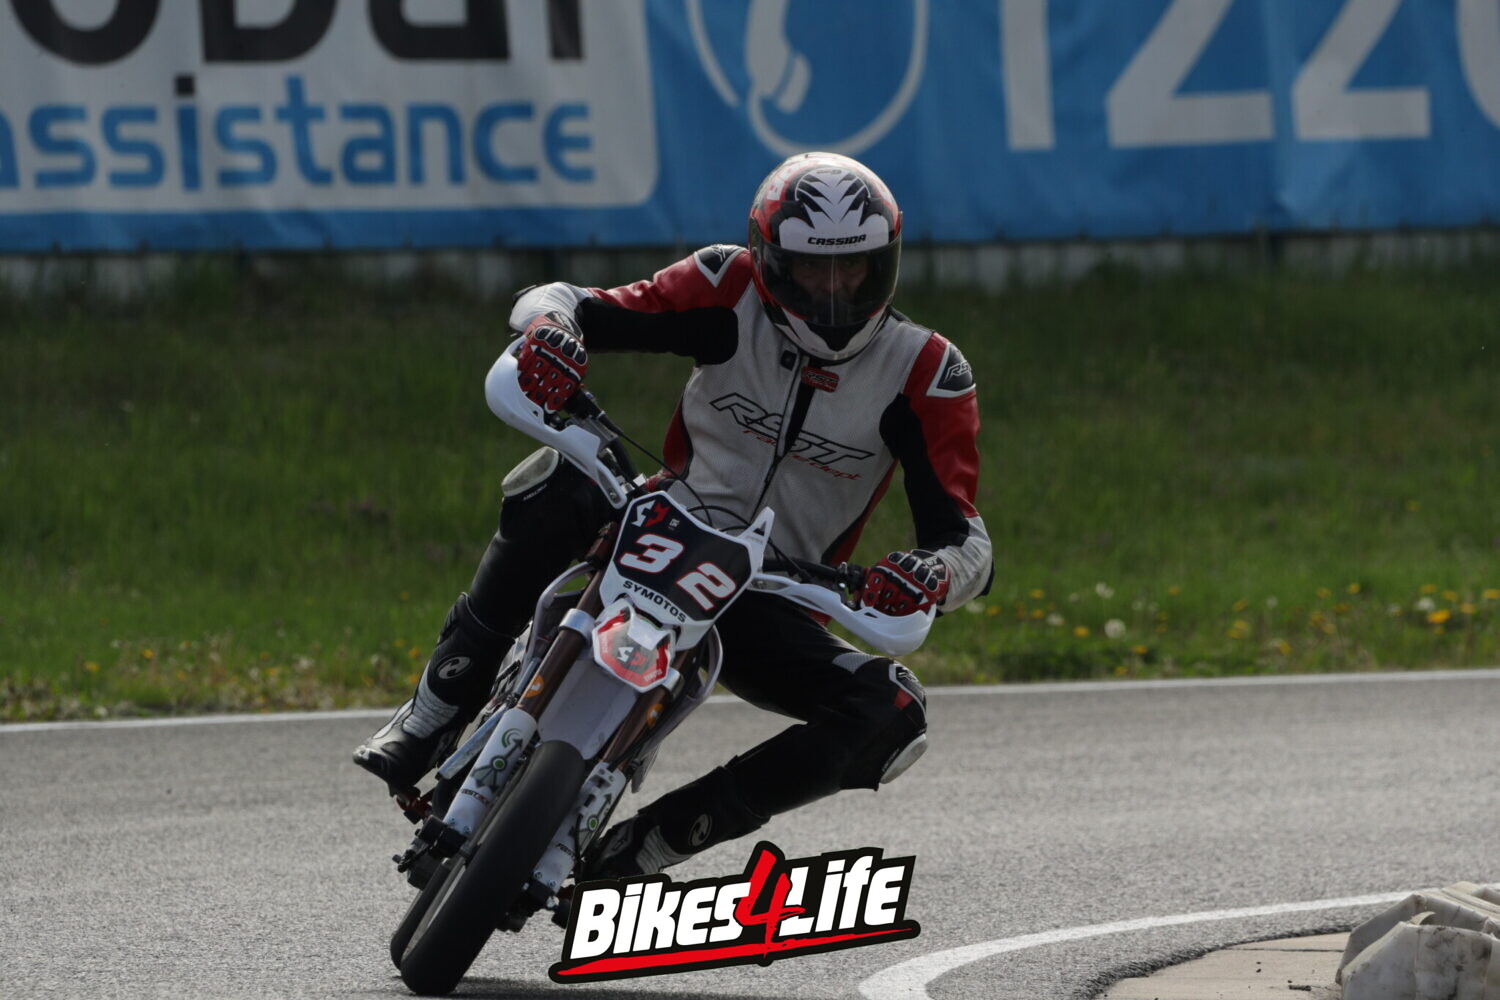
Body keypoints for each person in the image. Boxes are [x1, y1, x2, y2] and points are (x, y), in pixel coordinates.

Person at [354, 151, 993, 878]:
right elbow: (563, 299)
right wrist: (552, 335)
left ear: (888, 262)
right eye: (812, 269)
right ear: (767, 258)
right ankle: (436, 707)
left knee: (893, 714)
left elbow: (966, 540)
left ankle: (656, 841)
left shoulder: (927, 371)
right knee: (558, 479)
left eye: (855, 268)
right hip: (657, 525)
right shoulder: (728, 285)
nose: (835, 290)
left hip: (769, 594)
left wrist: (932, 574)